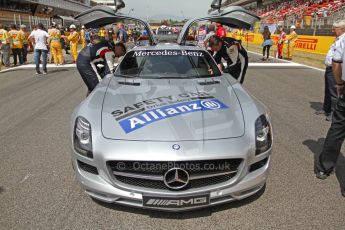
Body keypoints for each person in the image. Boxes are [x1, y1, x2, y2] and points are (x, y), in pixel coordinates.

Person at [315, 19, 345, 198]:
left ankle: (324, 167)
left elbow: (336, 63)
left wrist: (340, 83)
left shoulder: (342, 40)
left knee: (337, 129)